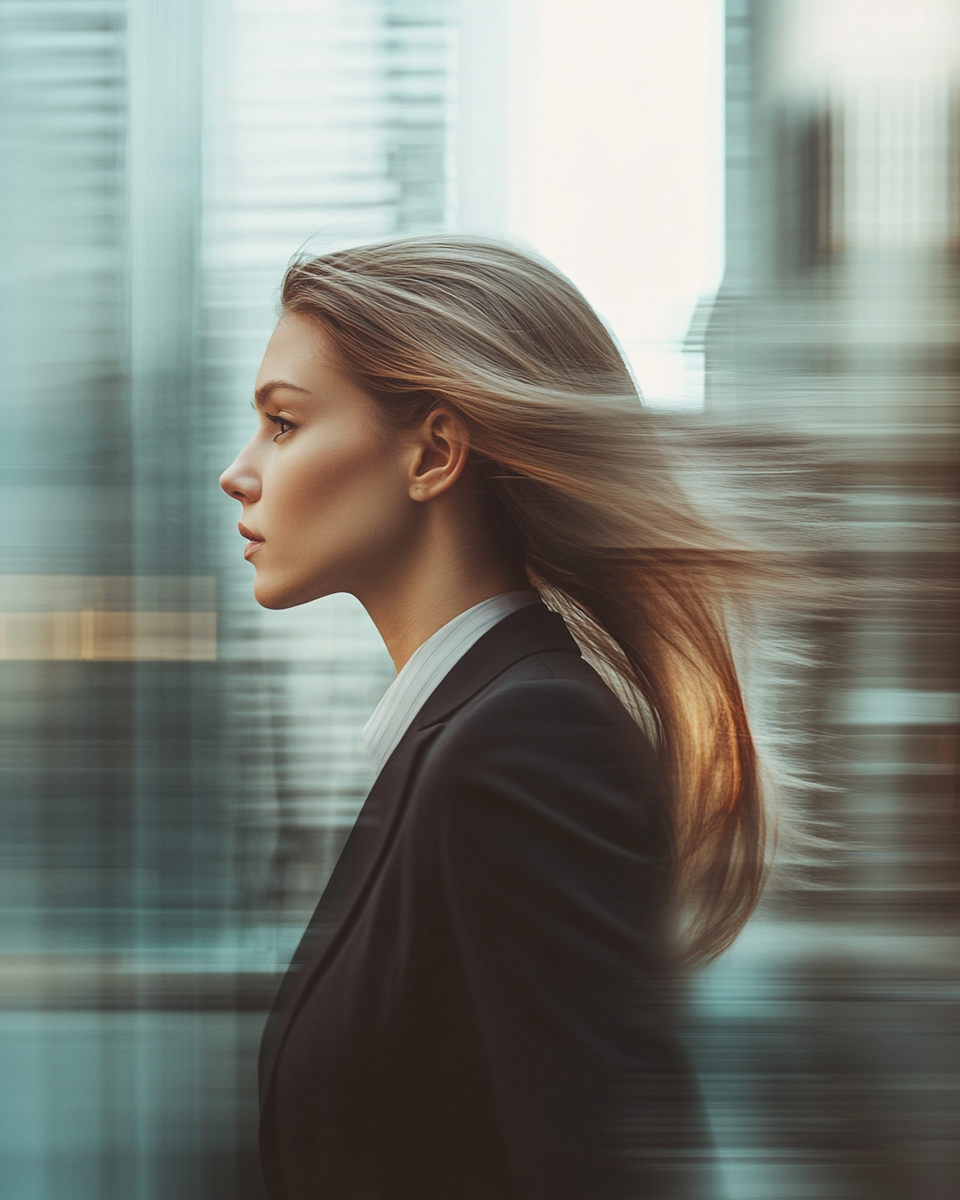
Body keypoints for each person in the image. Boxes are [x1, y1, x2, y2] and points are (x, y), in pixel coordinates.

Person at [219, 235, 771, 1199]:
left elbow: (610, 1169)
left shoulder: (521, 745)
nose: (240, 471)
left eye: (283, 424)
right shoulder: (461, 737)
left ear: (433, 453)